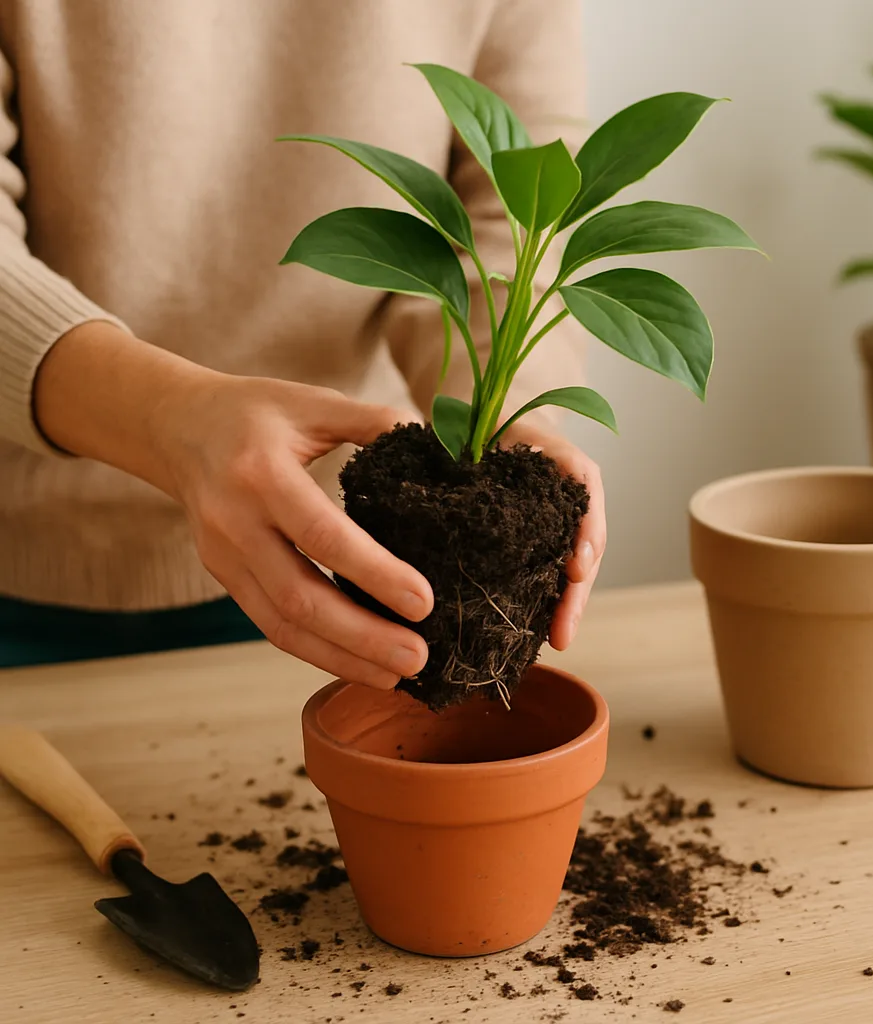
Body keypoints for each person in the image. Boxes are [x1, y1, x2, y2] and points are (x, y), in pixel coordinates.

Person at [0, 0, 605, 686]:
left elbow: (514, 205)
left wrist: (506, 420)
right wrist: (173, 422)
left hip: (348, 559)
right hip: (30, 578)